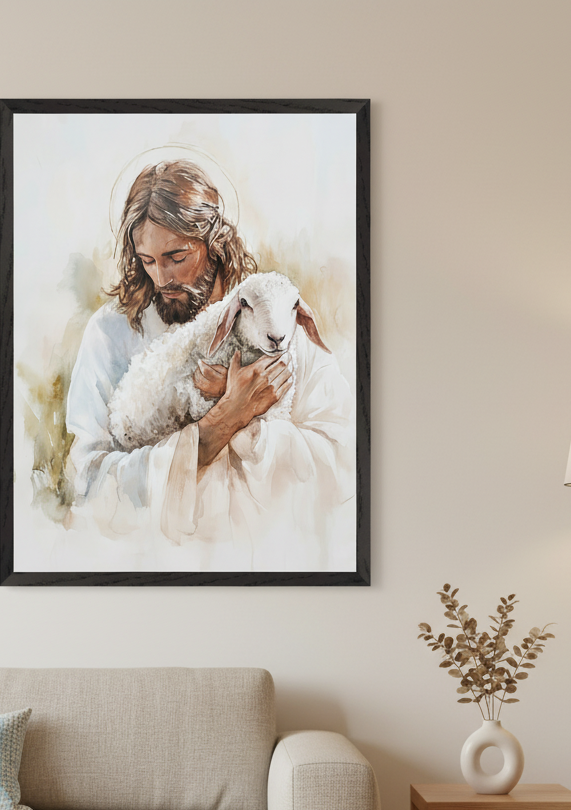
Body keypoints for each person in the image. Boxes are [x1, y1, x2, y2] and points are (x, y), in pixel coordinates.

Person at [64, 159, 355, 572]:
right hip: (155, 567)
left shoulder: (276, 319)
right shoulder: (111, 334)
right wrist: (223, 420)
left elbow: (341, 463)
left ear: (214, 241)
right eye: (147, 260)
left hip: (271, 565)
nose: (161, 278)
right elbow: (89, 485)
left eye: (176, 256)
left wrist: (254, 430)